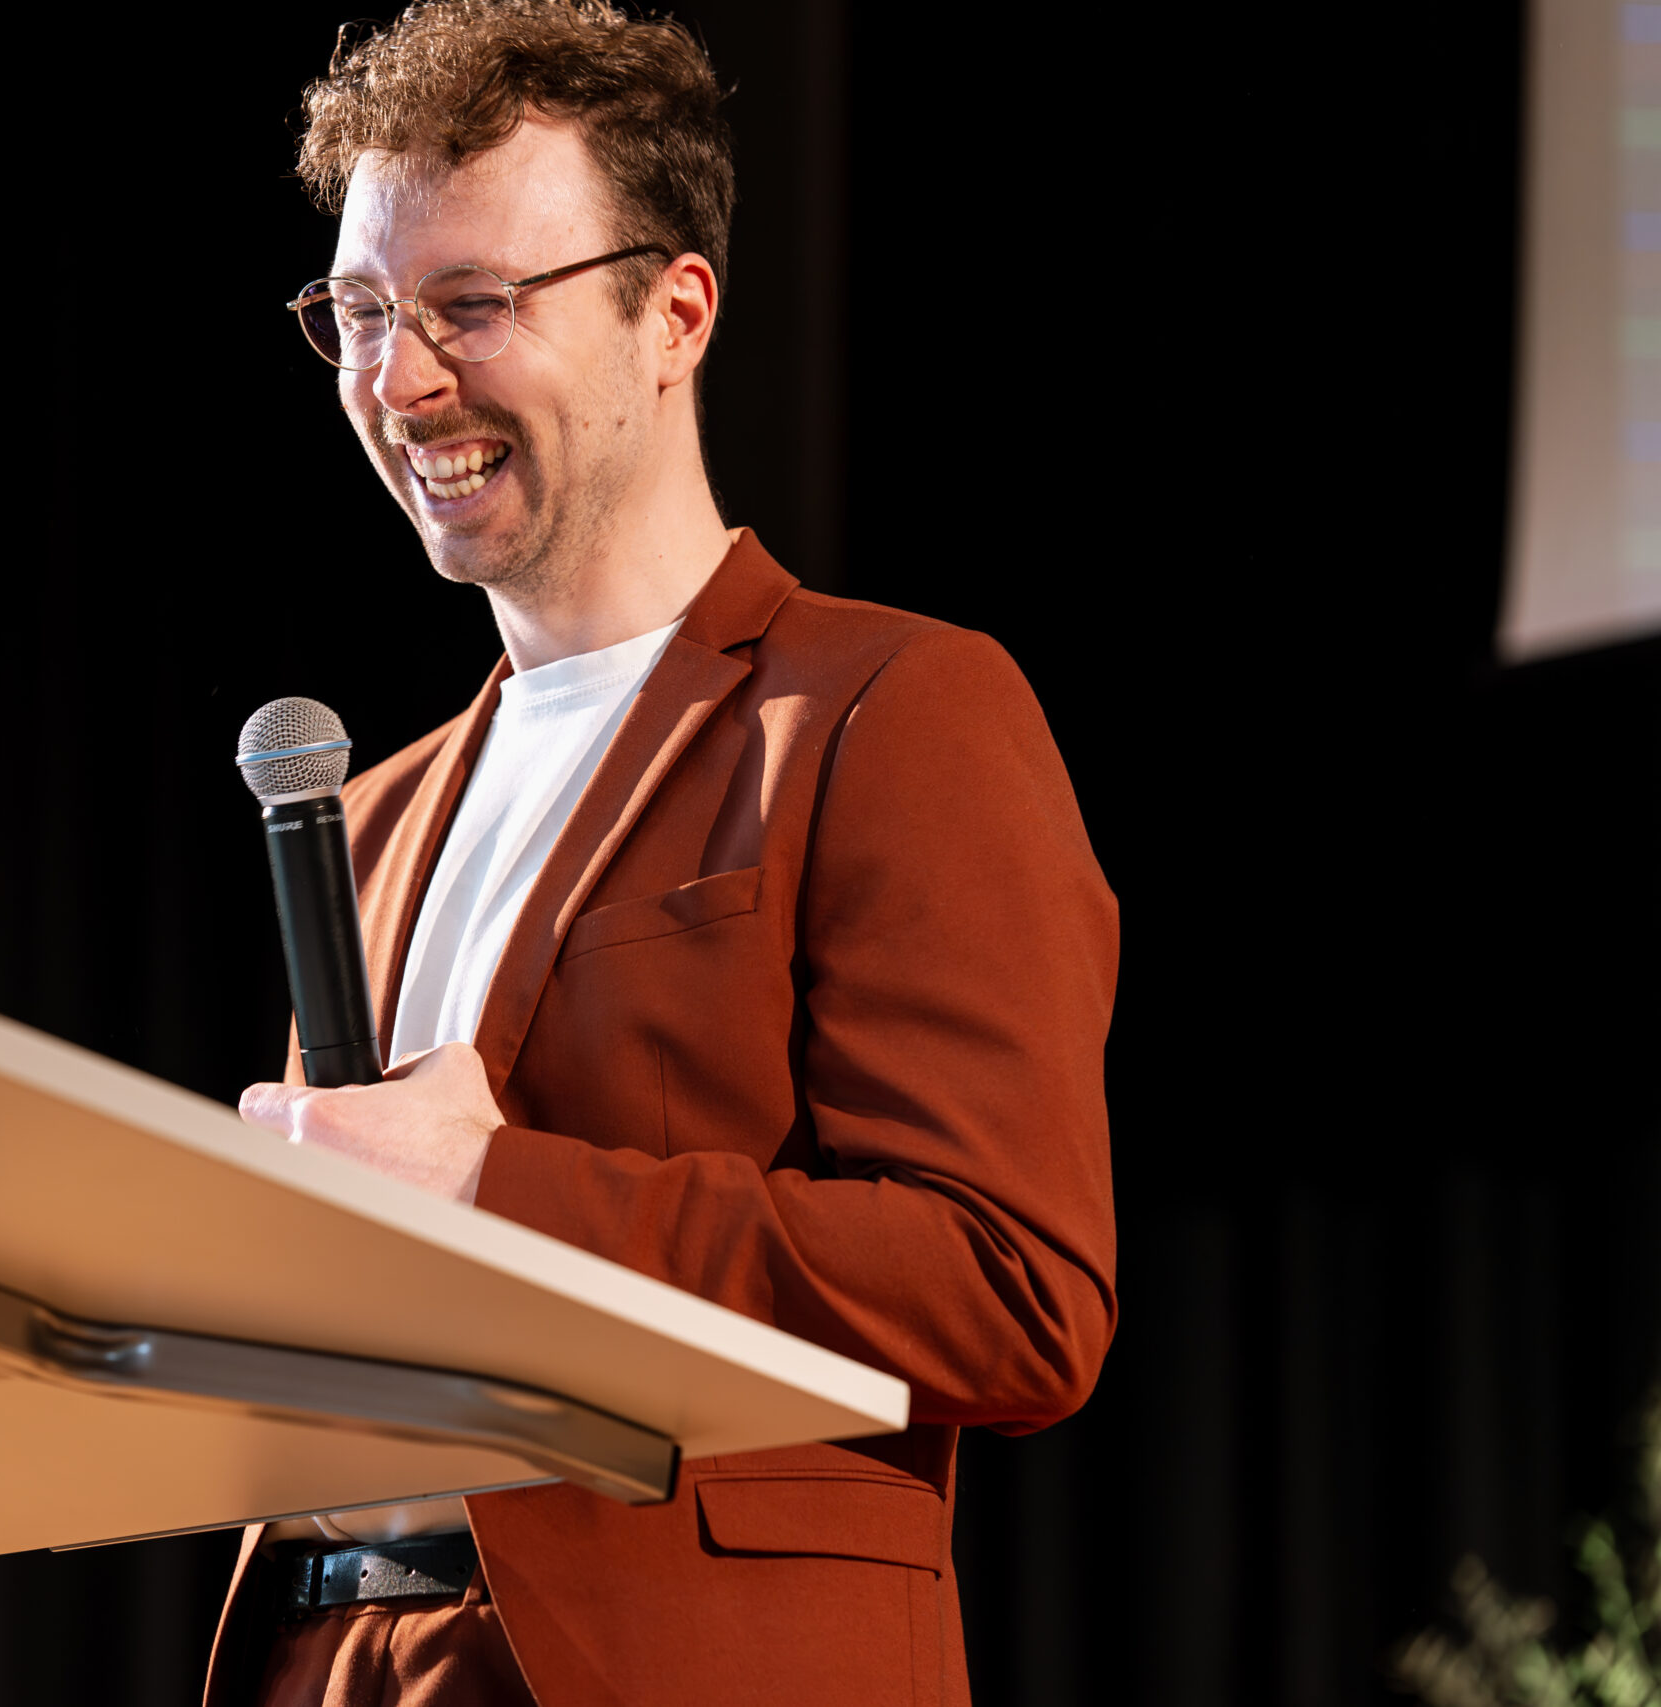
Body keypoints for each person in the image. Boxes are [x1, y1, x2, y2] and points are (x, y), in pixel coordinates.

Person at [218, 3, 1119, 1703]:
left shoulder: (886, 709)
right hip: (335, 1657)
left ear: (674, 316)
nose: (400, 382)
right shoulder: (375, 813)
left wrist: (497, 1188)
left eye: (471, 305)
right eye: (362, 314)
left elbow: (1013, 1295)